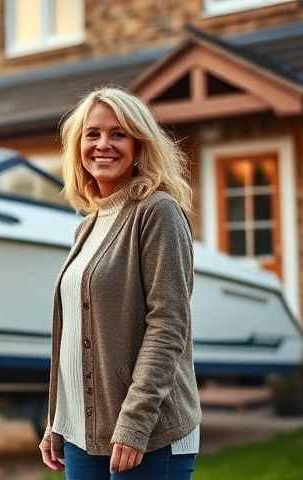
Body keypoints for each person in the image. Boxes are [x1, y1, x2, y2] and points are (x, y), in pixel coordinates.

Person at [38, 87, 201, 479]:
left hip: (148, 434)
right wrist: (57, 419)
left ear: (139, 145)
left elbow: (168, 325)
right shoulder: (88, 225)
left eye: (118, 134)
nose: (103, 144)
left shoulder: (157, 212)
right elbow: (75, 335)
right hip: (81, 434)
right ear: (78, 146)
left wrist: (135, 422)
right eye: (92, 134)